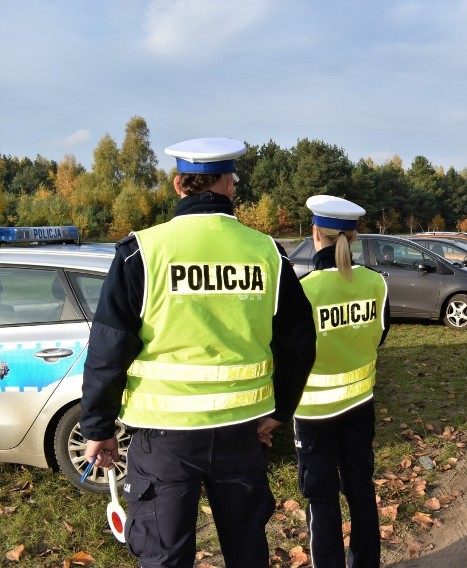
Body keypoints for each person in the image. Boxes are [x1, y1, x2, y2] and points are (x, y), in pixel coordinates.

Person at [79, 137, 317, 568]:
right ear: (229, 186)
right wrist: (280, 410)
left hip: (163, 438)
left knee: (164, 556)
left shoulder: (142, 251)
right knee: (246, 549)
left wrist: (97, 427)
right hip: (242, 432)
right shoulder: (267, 253)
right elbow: (300, 343)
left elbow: (108, 350)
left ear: (177, 185)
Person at [295, 195, 391, 568]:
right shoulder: (376, 284)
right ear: (353, 239)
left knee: (321, 499)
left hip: (314, 414)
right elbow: (379, 335)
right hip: (360, 406)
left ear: (315, 233)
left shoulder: (303, 290)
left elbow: (291, 355)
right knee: (361, 491)